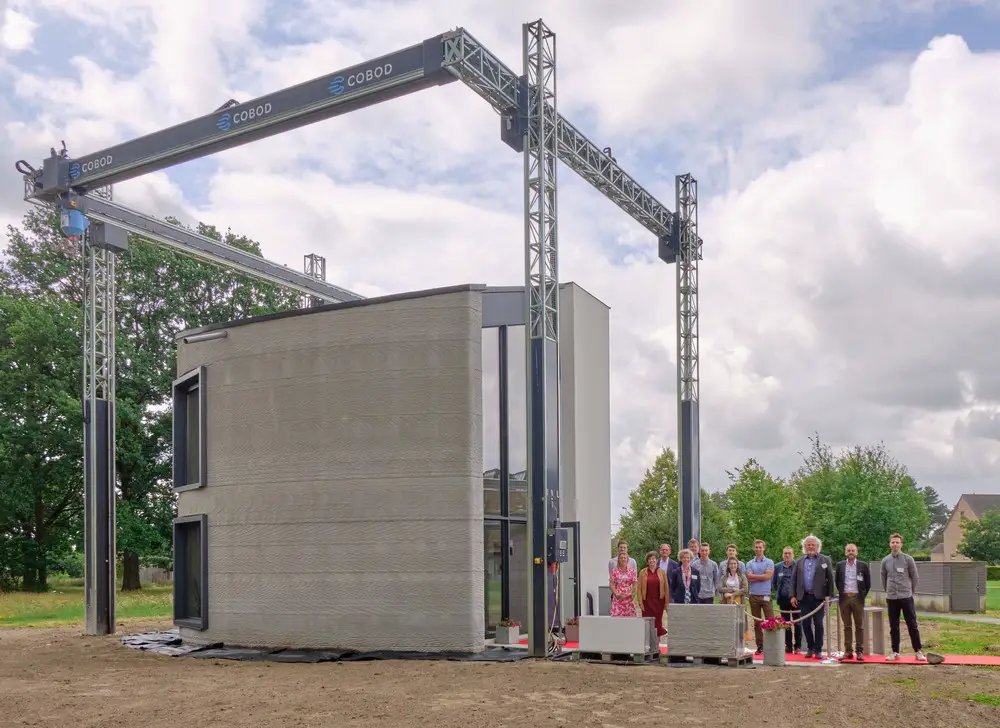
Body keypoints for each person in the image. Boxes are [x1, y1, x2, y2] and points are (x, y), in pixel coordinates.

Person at [880, 533, 925, 662]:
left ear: (901, 544)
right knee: (894, 626)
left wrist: (910, 591)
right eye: (893, 542)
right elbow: (883, 578)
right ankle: (895, 652)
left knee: (912, 624)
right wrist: (887, 591)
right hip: (892, 598)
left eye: (897, 542)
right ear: (890, 544)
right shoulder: (885, 561)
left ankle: (918, 651)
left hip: (906, 597)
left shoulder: (908, 559)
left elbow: (915, 577)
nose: (895, 544)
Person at [791, 534, 835, 659]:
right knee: (805, 624)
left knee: (819, 624)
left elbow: (830, 580)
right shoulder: (799, 561)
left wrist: (829, 597)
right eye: (808, 544)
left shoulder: (825, 560)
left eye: (813, 544)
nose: (810, 546)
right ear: (804, 547)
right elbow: (793, 580)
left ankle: (818, 649)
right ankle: (810, 648)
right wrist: (793, 595)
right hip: (803, 597)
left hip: (819, 598)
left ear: (817, 546)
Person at [836, 543, 871, 661]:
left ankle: (859, 651)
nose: (850, 552)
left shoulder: (863, 565)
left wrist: (861, 596)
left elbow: (868, 584)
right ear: (845, 552)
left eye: (853, 550)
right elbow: (837, 582)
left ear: (856, 552)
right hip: (844, 598)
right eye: (848, 550)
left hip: (857, 598)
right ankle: (848, 651)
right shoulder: (840, 565)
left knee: (859, 626)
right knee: (847, 626)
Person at [745, 539, 775, 655]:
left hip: (766, 595)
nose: (758, 549)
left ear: (764, 548)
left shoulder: (769, 562)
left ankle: (772, 645)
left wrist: (755, 576)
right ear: (754, 548)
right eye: (756, 547)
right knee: (757, 623)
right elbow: (749, 577)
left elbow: (768, 576)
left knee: (770, 621)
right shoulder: (749, 563)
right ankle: (760, 646)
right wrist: (761, 576)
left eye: (760, 547)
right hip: (754, 596)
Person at [772, 546, 802, 653]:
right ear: (782, 555)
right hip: (783, 599)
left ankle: (798, 646)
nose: (787, 555)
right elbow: (775, 583)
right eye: (785, 553)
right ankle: (788, 645)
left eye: (789, 553)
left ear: (793, 554)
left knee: (797, 623)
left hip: (796, 599)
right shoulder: (778, 567)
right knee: (785, 623)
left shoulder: (798, 565)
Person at [718, 556, 751, 644]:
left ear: (737, 565)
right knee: (729, 620)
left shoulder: (742, 576)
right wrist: (732, 589)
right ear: (728, 565)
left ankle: (741, 641)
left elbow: (745, 589)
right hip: (727, 602)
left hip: (739, 601)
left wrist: (733, 594)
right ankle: (728, 640)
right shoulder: (724, 577)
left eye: (734, 564)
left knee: (740, 621)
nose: (733, 565)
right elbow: (720, 588)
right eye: (731, 564)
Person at [638, 551, 668, 639]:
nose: (652, 560)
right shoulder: (642, 572)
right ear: (647, 561)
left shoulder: (662, 572)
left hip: (659, 602)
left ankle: (657, 647)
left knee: (658, 624)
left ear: (656, 560)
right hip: (646, 602)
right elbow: (639, 589)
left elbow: (666, 588)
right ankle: (648, 645)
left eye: (653, 558)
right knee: (647, 624)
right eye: (650, 559)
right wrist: (640, 603)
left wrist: (666, 603)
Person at [610, 552, 638, 617]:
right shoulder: (614, 571)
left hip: (628, 598)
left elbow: (634, 584)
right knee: (616, 618)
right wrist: (616, 593)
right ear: (618, 560)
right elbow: (611, 584)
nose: (623, 559)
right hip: (618, 598)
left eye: (624, 558)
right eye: (621, 558)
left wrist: (630, 593)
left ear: (627, 560)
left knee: (629, 619)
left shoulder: (632, 571)